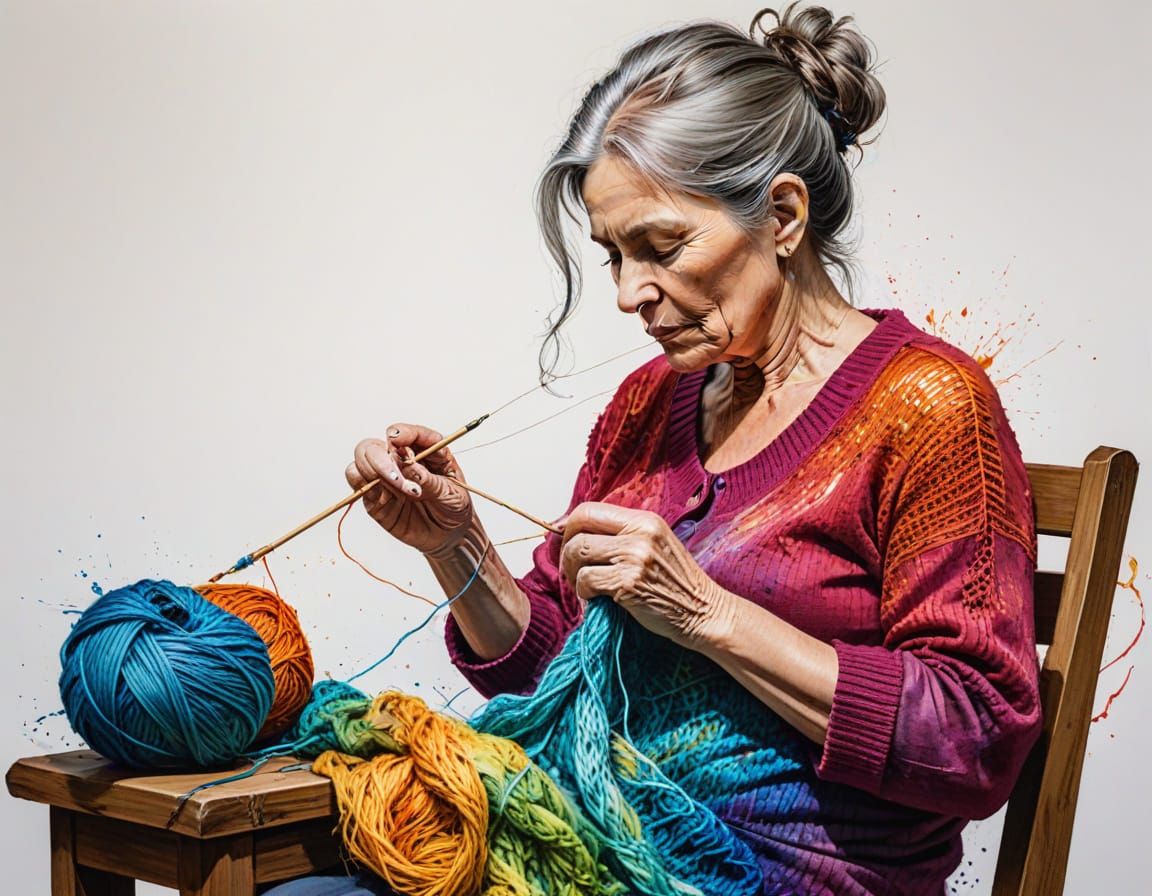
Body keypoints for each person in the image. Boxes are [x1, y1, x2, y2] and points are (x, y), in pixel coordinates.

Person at [267, 4, 1041, 894]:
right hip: (597, 847)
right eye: (613, 256)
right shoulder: (650, 403)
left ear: (782, 215)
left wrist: (708, 614)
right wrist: (455, 543)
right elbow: (558, 670)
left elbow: (976, 740)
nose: (633, 292)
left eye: (662, 245)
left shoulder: (929, 410)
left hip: (787, 877)